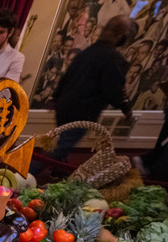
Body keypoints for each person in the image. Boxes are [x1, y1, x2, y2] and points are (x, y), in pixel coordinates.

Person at [48, 15, 136, 162]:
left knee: (63, 144)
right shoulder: (113, 58)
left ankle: (56, 172)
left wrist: (55, 98)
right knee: (61, 148)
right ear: (121, 35)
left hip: (64, 107)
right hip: (82, 111)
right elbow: (113, 90)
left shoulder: (87, 52)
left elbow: (67, 76)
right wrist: (127, 109)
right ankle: (25, 172)